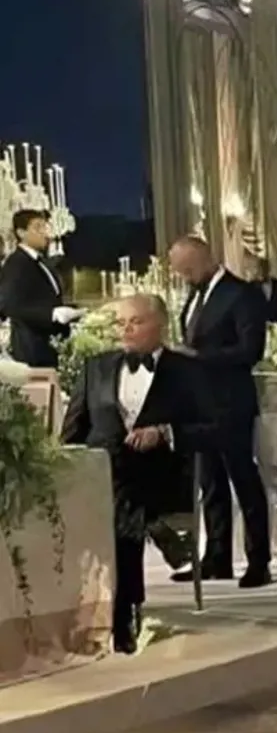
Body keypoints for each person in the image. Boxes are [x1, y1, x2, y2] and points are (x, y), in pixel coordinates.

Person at [60, 294, 217, 653]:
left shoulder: (188, 371)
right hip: (103, 475)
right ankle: (156, 540)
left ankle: (122, 615)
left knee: (121, 504)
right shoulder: (96, 367)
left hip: (161, 476)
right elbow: (73, 431)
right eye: (121, 323)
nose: (126, 329)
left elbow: (214, 428)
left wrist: (165, 433)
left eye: (136, 322)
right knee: (120, 503)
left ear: (160, 324)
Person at [167, 236, 272, 588]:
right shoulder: (195, 295)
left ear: (204, 258)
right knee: (210, 484)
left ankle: (258, 560)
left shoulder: (242, 294)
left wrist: (199, 358)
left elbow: (251, 350)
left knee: (244, 480)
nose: (184, 277)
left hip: (231, 402)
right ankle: (216, 557)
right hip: (200, 405)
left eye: (187, 269)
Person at [0, 210, 82, 366]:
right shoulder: (16, 263)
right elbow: (9, 306)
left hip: (52, 346)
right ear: (21, 233)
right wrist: (51, 314)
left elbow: (46, 299)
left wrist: (73, 311)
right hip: (32, 350)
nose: (45, 233)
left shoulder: (42, 262)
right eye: (38, 227)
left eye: (45, 227)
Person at [250, 257, 277, 323]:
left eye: (264, 268)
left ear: (269, 269)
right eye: (259, 268)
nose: (261, 271)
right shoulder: (250, 287)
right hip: (259, 326)